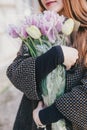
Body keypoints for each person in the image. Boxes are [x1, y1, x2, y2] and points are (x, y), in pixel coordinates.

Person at [6, 0, 87, 130]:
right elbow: (14, 73)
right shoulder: (36, 27)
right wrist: (53, 56)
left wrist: (45, 116)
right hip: (31, 122)